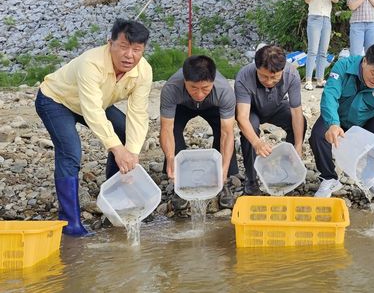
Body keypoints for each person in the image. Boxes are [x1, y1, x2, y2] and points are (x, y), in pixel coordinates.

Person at [35, 19, 152, 236]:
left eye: (137, 50)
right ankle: (70, 224)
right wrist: (117, 150)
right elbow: (92, 112)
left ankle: (114, 200)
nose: (130, 55)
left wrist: (131, 154)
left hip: (97, 103)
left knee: (126, 134)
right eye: (124, 47)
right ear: (110, 43)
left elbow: (138, 113)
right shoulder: (91, 62)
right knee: (71, 151)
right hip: (56, 100)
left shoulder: (144, 71)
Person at [309, 43, 374, 198]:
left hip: (365, 121)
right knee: (317, 135)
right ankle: (329, 177)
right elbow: (330, 94)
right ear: (365, 61)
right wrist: (333, 123)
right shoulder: (343, 66)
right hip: (338, 118)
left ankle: (370, 177)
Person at [159, 55, 238, 210]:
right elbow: (166, 129)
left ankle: (224, 182)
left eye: (205, 88)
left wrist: (224, 168)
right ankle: (178, 180)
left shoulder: (224, 91)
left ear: (213, 82)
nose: (199, 94)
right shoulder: (171, 88)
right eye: (194, 88)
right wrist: (170, 158)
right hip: (183, 105)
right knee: (174, 131)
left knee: (222, 133)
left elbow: (228, 133)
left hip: (212, 106)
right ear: (184, 81)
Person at [235, 44, 307, 195]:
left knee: (300, 122)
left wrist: (298, 146)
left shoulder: (292, 74)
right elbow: (242, 117)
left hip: (276, 105)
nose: (268, 81)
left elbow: (296, 112)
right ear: (256, 68)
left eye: (274, 77)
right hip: (252, 109)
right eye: (263, 76)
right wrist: (257, 142)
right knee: (250, 128)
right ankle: (251, 180)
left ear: (282, 70)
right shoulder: (244, 76)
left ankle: (286, 171)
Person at [304, 0, 340, 91]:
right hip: (314, 18)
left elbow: (336, 0)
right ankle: (308, 80)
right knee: (312, 50)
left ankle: (320, 79)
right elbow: (307, 0)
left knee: (323, 51)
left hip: (326, 19)